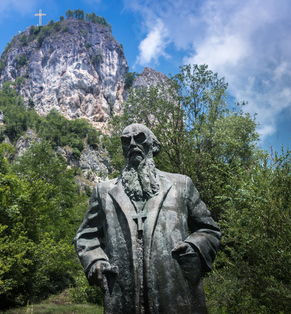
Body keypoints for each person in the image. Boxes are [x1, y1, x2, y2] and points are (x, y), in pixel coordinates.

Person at [74, 123, 221, 314]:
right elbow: (85, 236)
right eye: (126, 141)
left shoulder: (181, 184)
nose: (133, 143)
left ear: (153, 144)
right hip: (122, 292)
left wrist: (193, 248)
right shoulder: (103, 192)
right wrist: (95, 261)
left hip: (175, 286)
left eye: (140, 138)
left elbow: (209, 230)